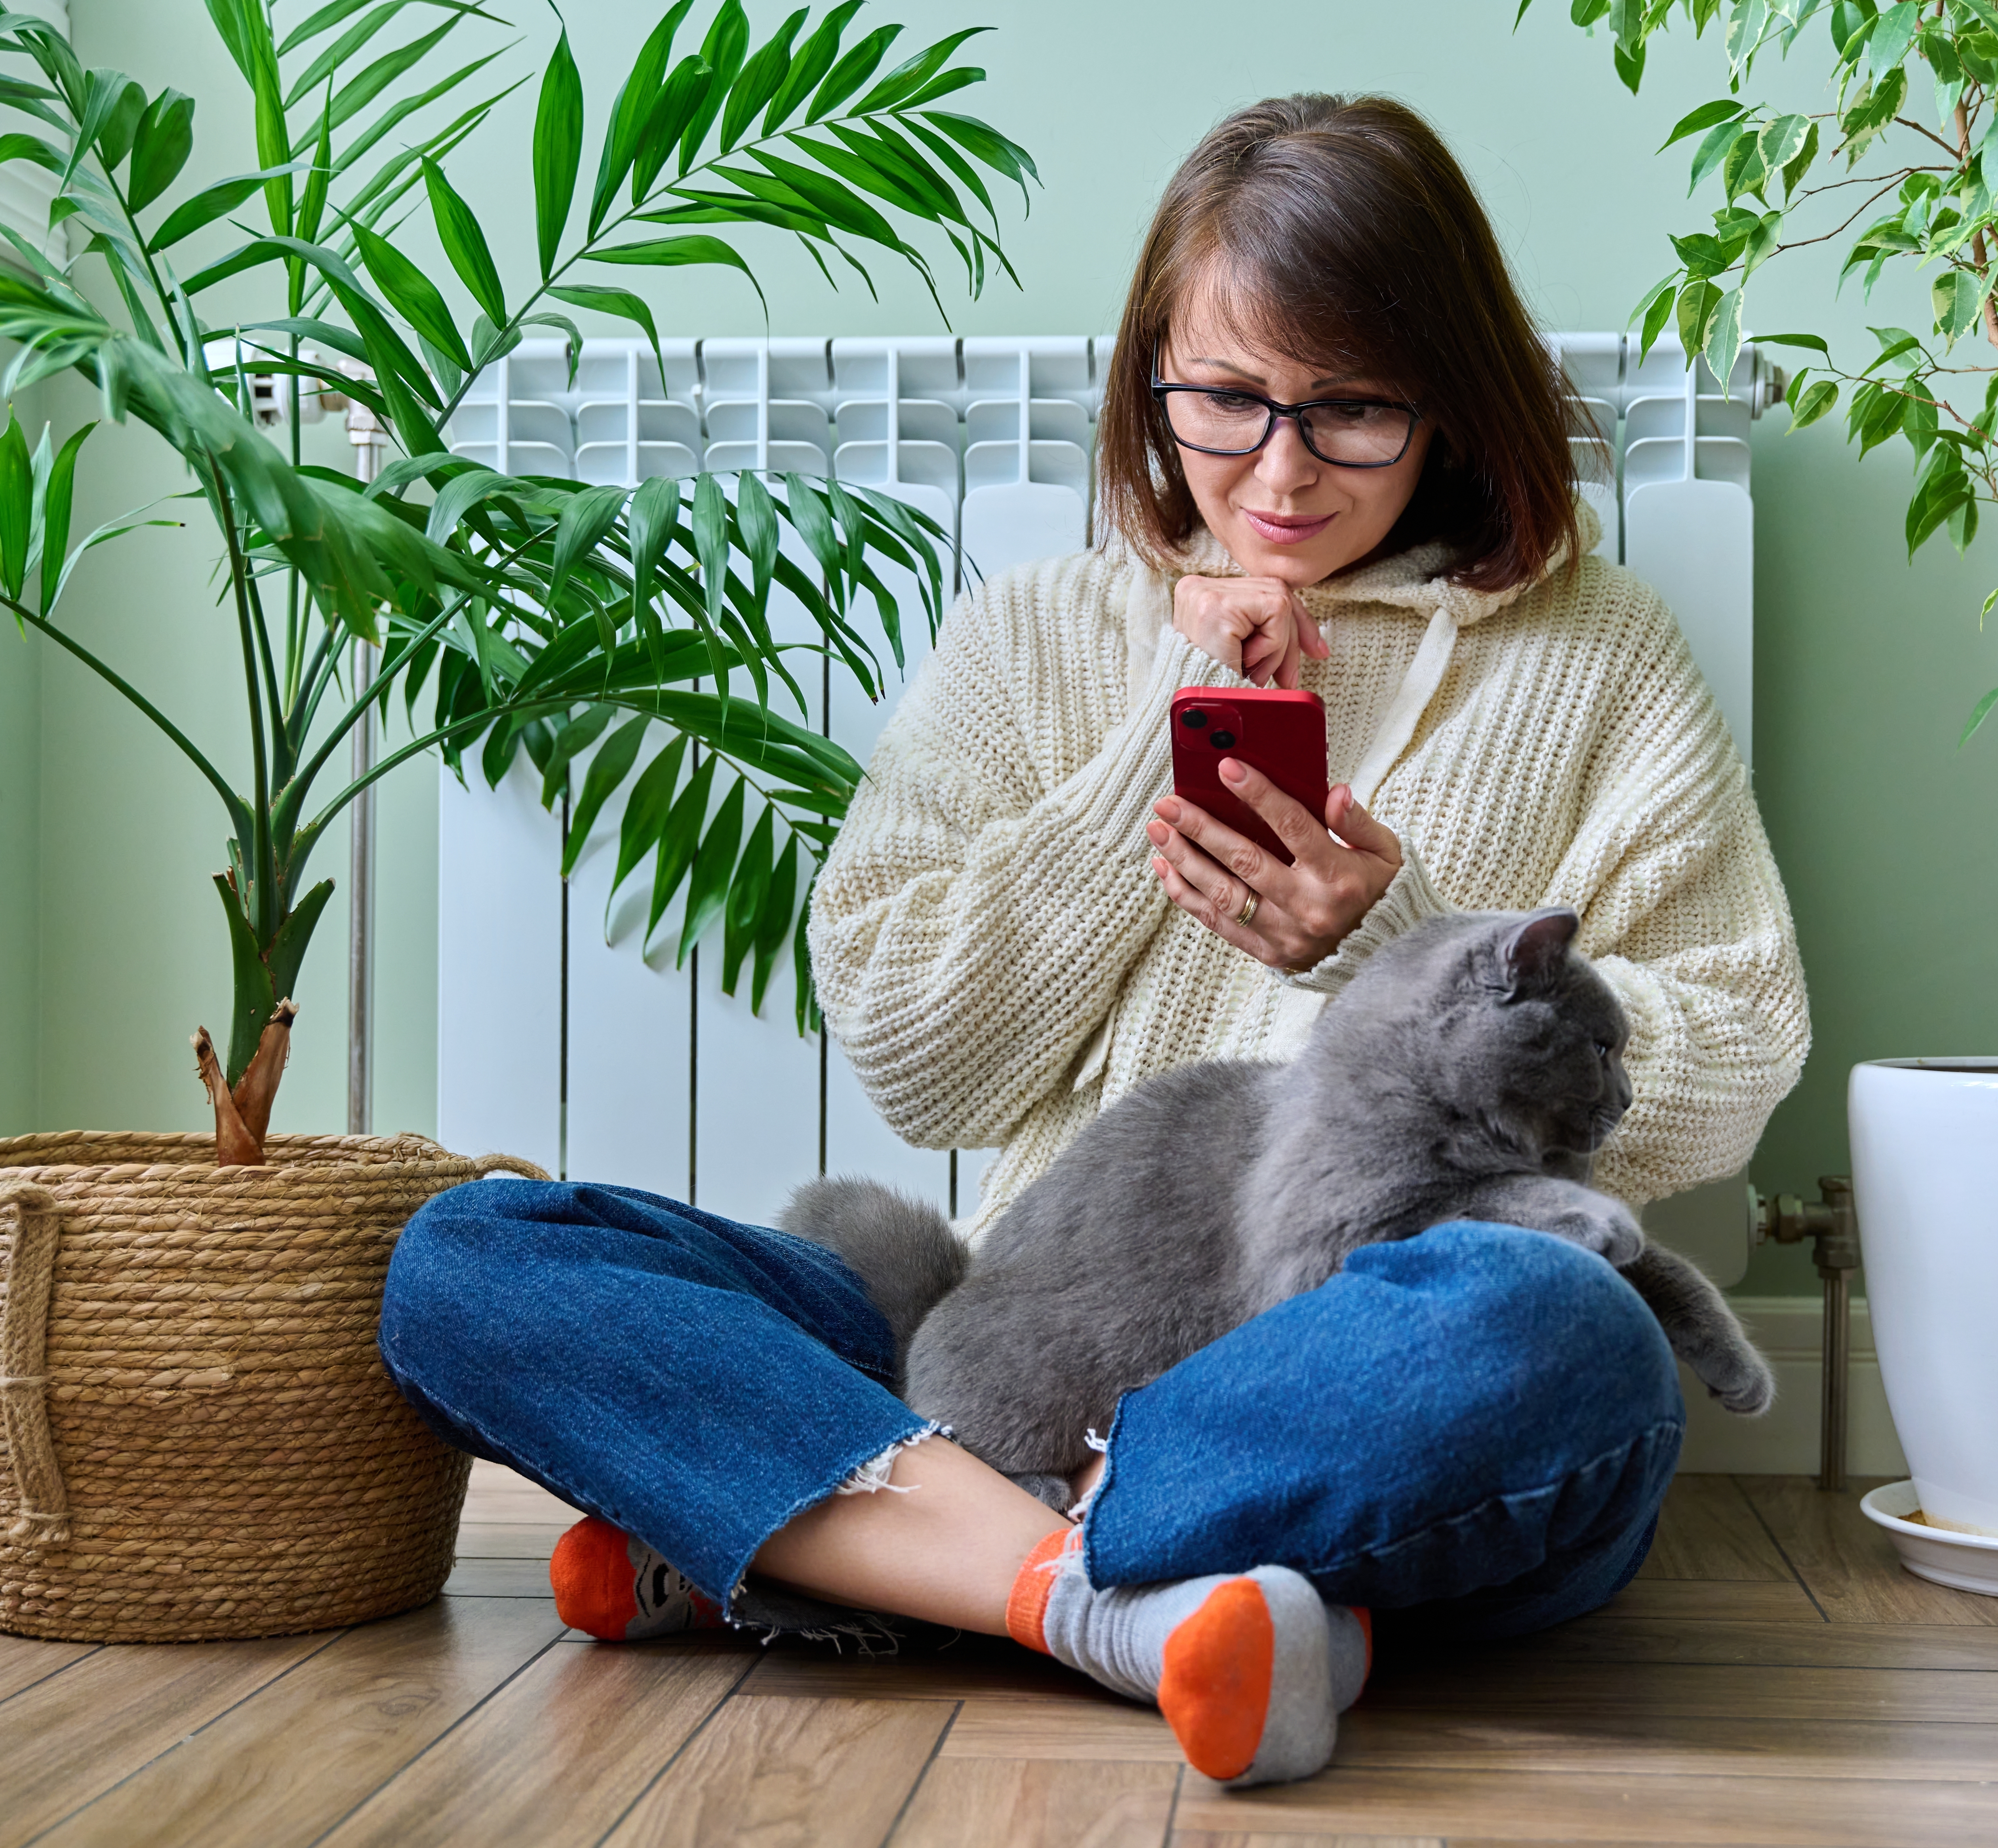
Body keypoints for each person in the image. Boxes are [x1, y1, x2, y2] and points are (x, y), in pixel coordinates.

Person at [380, 93, 1809, 1788]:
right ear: (1149, 376)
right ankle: (1101, 1594)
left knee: (1561, 1338)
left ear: (1453, 402)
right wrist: (1168, 724)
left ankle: (856, 1544)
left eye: (1350, 410)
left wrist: (1398, 952)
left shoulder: (1600, 656)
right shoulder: (1031, 637)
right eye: (1221, 400)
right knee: (474, 1259)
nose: (1276, 471)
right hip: (1021, 1331)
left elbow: (1725, 1067)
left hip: (1359, 1372)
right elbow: (923, 1060)